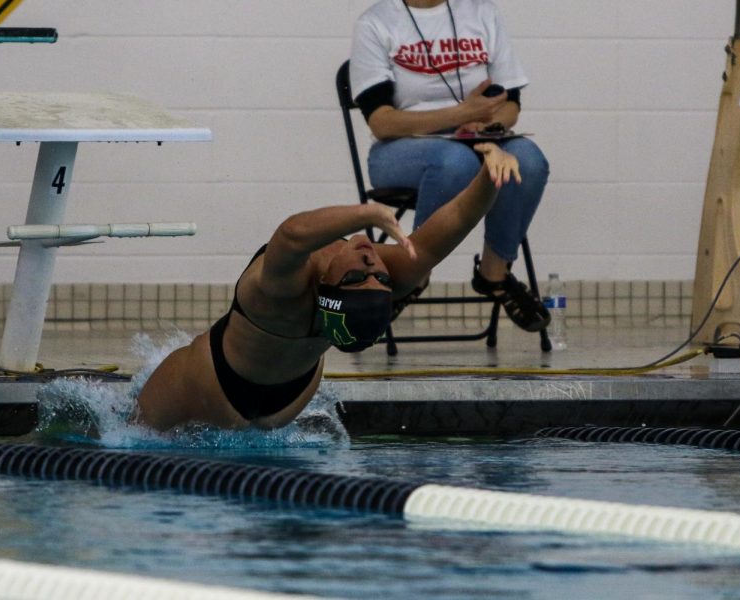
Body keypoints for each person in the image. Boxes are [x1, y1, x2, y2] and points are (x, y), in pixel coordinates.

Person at [136, 144, 520, 432]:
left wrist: (366, 212)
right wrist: (491, 175)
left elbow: (289, 235)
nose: (372, 265)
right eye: (380, 279)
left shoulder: (282, 294)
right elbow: (451, 224)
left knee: (123, 434)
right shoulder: (385, 271)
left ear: (326, 290)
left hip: (215, 382)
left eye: (355, 277)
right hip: (289, 398)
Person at [349, 0, 550, 332]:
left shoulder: (482, 13)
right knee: (455, 162)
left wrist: (489, 127)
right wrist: (461, 115)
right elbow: (382, 122)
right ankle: (413, 273)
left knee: (527, 159)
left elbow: (510, 104)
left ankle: (494, 274)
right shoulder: (376, 23)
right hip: (401, 149)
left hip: (476, 139)